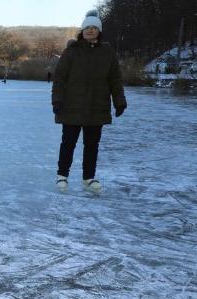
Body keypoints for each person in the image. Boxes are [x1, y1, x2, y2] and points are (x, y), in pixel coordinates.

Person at [52, 9, 126, 194]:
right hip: (72, 106)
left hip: (97, 106)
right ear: (82, 30)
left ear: (99, 31)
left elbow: (115, 79)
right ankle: (62, 176)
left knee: (92, 145)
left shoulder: (107, 52)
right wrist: (57, 100)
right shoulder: (71, 51)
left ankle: (88, 178)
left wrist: (119, 101)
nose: (90, 30)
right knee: (68, 143)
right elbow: (60, 78)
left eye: (94, 28)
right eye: (87, 27)